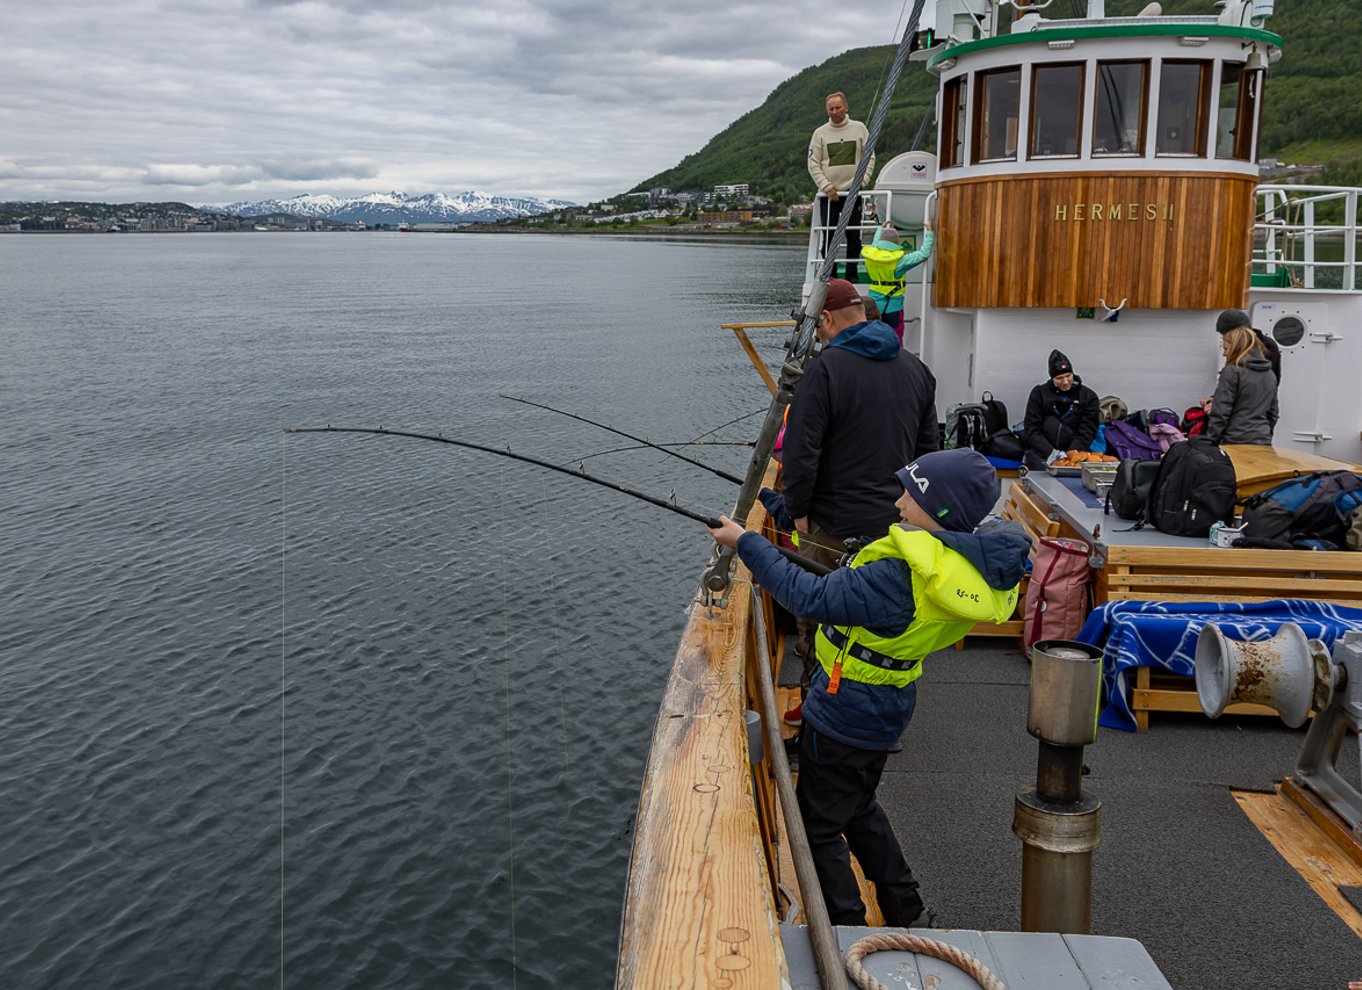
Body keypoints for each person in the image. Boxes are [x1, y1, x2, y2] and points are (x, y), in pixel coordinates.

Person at [708, 449, 1030, 927]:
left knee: (817, 825)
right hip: (885, 702)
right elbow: (857, 587)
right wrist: (779, 509)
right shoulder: (952, 564)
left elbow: (809, 597)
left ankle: (849, 930)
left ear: (939, 512)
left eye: (911, 494)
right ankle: (907, 908)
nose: (899, 503)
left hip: (845, 710)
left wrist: (747, 542)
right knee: (858, 804)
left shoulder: (897, 576)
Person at [779, 278, 939, 724]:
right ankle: (881, 712)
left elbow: (800, 452)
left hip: (833, 525)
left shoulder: (825, 370)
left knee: (821, 616)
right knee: (887, 623)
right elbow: (930, 452)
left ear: (827, 319)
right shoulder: (916, 368)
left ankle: (818, 708)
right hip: (899, 527)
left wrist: (799, 513)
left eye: (817, 326)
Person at [808, 91, 874, 280]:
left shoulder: (859, 128)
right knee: (828, 238)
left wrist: (861, 182)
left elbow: (869, 156)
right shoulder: (819, 133)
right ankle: (831, 277)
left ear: (846, 107)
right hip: (828, 196)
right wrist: (827, 187)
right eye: (831, 109)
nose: (834, 112)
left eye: (838, 107)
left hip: (853, 194)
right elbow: (813, 163)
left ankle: (852, 276)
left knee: (854, 238)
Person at [860, 220, 935, 345]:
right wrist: (929, 232)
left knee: (871, 335)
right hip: (893, 305)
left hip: (873, 305)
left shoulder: (871, 256)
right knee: (895, 337)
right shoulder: (900, 261)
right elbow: (923, 254)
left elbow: (874, 246)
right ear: (896, 243)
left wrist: (880, 230)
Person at [1022, 349, 1100, 469]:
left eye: (1068, 376)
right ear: (1052, 378)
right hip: (1042, 453)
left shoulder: (1088, 397)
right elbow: (1032, 429)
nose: (1065, 381)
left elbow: (1087, 432)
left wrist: (1069, 455)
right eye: (1059, 378)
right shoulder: (1039, 393)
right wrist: (1051, 454)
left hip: (1074, 453)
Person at [1205, 326, 1279, 445]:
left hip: (1234, 440)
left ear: (1236, 348)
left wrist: (1210, 441)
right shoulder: (1269, 374)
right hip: (1262, 440)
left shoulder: (1232, 372)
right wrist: (1266, 434)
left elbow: (1221, 412)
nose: (1224, 354)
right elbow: (1273, 413)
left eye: (1226, 348)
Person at [1215, 309, 1280, 383]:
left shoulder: (1268, 346)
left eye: (1226, 335)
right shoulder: (1239, 345)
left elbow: (1270, 381)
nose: (1224, 354)